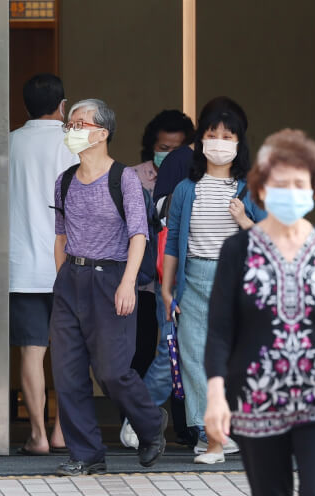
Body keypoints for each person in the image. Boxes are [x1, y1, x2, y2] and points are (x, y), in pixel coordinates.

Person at [203, 129, 315, 496]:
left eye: (299, 183)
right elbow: (219, 331)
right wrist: (216, 395)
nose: (290, 192)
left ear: (313, 188)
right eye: (281, 183)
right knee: (270, 495)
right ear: (262, 188)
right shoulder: (237, 249)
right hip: (256, 398)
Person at [49, 98, 166, 476]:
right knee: (67, 373)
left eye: (80, 124)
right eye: (69, 125)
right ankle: (86, 454)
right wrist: (62, 279)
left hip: (112, 277)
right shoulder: (64, 180)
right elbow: (61, 237)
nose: (72, 131)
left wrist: (128, 283)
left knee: (113, 371)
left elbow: (139, 234)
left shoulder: (123, 179)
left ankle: (151, 424)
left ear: (102, 132)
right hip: (71, 279)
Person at [161, 105, 267, 464]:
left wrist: (244, 221)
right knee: (193, 360)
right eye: (211, 135)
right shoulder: (185, 189)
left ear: (239, 143)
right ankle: (212, 440)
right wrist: (167, 287)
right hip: (192, 281)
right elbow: (174, 238)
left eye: (227, 136)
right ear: (199, 141)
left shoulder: (249, 190)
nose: (219, 143)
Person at [9, 73, 76, 456]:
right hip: (68, 265)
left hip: (22, 267)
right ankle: (62, 433)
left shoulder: (9, 144)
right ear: (63, 105)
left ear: (25, 106)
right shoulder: (73, 141)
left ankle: (35, 435)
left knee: (31, 352)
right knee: (71, 350)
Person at [120, 110, 195, 449]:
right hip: (142, 283)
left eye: (178, 148)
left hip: (173, 281)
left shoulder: (193, 182)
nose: (170, 153)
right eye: (164, 146)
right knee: (152, 354)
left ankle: (187, 426)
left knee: (178, 354)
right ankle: (139, 420)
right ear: (151, 145)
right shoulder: (132, 178)